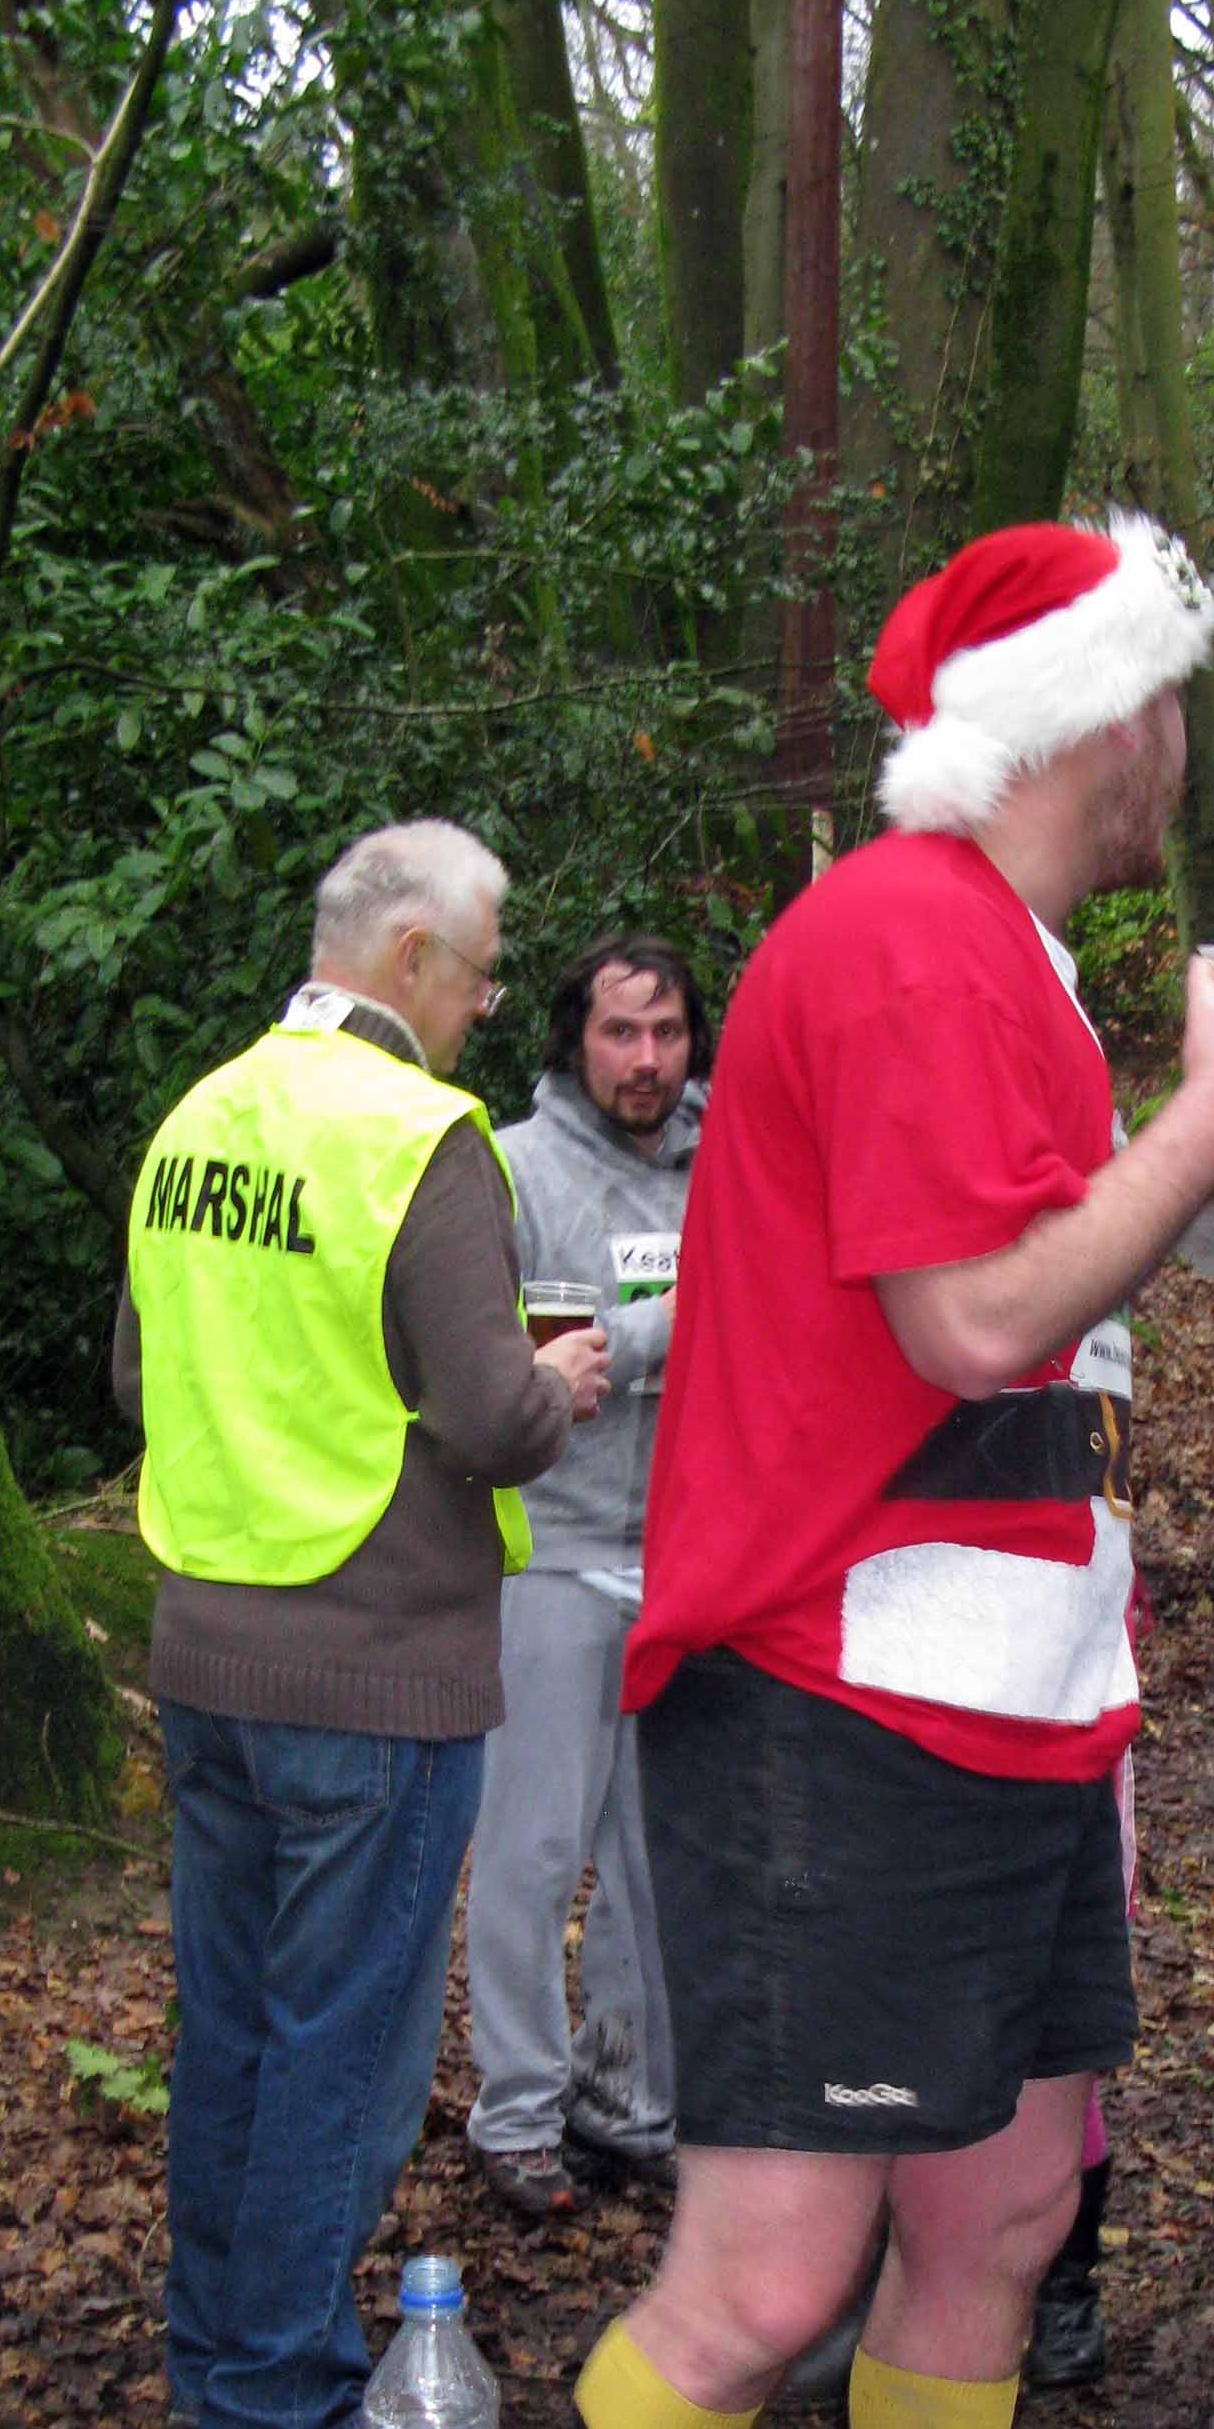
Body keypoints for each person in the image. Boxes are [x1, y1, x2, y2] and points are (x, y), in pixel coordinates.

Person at [541, 511, 1214, 2429]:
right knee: (769, 2264)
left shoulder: (1001, 952)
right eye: (1173, 694)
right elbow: (969, 1322)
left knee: (988, 2224)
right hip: (829, 1705)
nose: (1184, 739)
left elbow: (1031, 1385)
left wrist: (1107, 1663)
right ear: (1102, 713)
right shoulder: (897, 936)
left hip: (1002, 1704)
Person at [117, 819, 608, 2429]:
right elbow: (489, 1414)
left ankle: (212, 2360)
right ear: (410, 960)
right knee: (348, 2043)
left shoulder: (200, 1118)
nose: (482, 1011)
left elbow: (140, 1373)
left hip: (207, 1647)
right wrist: (564, 1392)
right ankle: (277, 2397)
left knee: (238, 2025)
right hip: (378, 1662)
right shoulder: (421, 1138)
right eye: (478, 976)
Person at [464, 936, 711, 2218]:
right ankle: (513, 2111)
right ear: (574, 1040)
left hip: (685, 1558)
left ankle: (625, 2097)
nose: (647, 1059)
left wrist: (634, 1340)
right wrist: (667, 1329)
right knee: (533, 1849)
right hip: (547, 1554)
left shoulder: (732, 1162)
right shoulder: (511, 1167)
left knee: (656, 1856)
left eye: (666, 1031)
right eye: (621, 1033)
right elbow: (532, 1375)